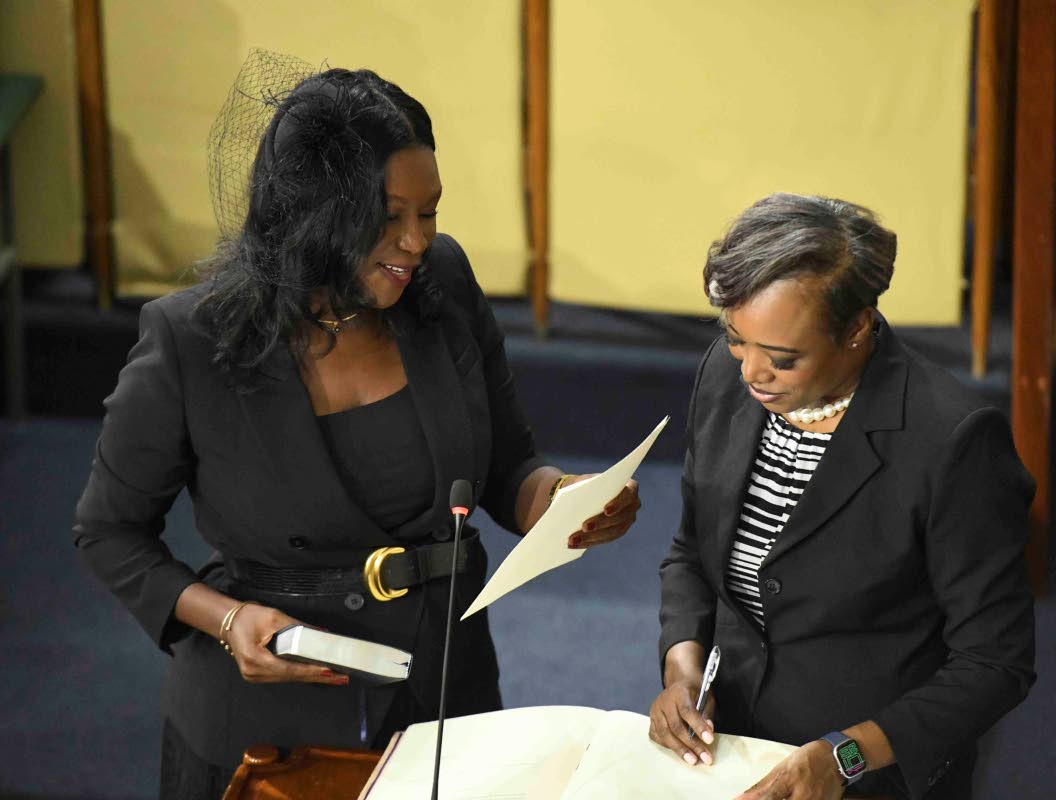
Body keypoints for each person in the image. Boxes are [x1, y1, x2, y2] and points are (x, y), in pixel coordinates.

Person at [73, 64, 641, 799]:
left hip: (446, 699)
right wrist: (226, 619)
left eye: (429, 212)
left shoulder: (445, 282)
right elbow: (108, 533)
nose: (415, 241)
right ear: (314, 212)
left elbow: (507, 466)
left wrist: (564, 500)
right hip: (271, 728)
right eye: (389, 216)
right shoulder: (191, 339)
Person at [650, 194, 1035, 799]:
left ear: (856, 329)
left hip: (870, 775)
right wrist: (682, 669)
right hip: (731, 750)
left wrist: (845, 756)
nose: (751, 372)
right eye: (734, 339)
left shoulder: (953, 440)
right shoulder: (724, 378)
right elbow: (691, 553)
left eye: (782, 358)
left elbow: (995, 664)